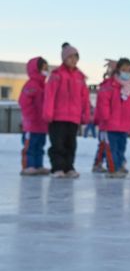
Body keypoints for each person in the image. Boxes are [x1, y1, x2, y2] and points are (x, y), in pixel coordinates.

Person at [42, 43, 90, 178]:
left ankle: (69, 167)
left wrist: (85, 114)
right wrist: (48, 113)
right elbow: (49, 95)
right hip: (57, 117)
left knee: (71, 144)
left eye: (75, 58)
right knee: (58, 144)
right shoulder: (57, 75)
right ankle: (57, 168)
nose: (73, 60)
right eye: (70, 57)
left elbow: (84, 98)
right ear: (64, 59)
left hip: (73, 117)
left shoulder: (80, 77)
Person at [93, 58, 130, 177]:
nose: (126, 72)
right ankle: (113, 168)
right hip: (110, 124)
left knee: (121, 147)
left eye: (129, 70)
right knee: (111, 148)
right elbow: (103, 103)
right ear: (118, 70)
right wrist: (105, 117)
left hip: (125, 125)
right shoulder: (109, 85)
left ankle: (118, 165)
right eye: (124, 70)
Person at [19, 57, 50, 176]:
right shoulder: (31, 85)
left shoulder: (45, 85)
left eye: (47, 68)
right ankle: (28, 166)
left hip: (42, 124)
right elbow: (24, 102)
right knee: (30, 146)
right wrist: (31, 117)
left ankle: (38, 165)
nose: (46, 70)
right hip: (31, 125)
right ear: (36, 69)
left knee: (40, 146)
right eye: (43, 68)